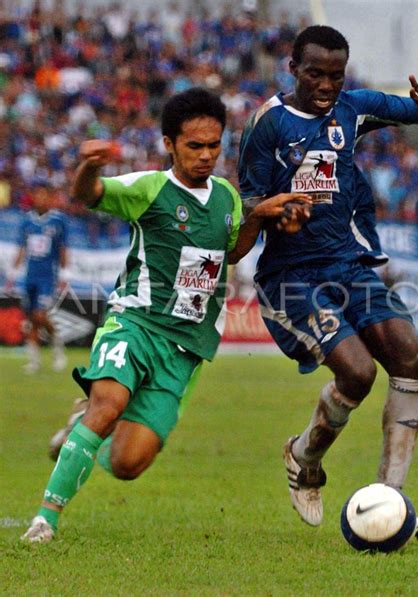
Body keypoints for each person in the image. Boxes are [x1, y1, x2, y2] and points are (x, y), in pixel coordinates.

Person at [22, 87, 311, 543]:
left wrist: (256, 217)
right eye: (195, 145)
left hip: (185, 346)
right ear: (169, 144)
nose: (206, 155)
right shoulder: (149, 188)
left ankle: (81, 428)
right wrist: (90, 166)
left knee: (127, 464)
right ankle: (45, 520)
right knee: (108, 405)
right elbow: (88, 194)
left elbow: (232, 252)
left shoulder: (226, 196)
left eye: (214, 145)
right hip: (135, 322)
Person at [238, 25, 418, 534]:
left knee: (412, 358)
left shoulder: (352, 108)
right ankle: (303, 458)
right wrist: (276, 212)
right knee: (358, 374)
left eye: (335, 76)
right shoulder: (268, 124)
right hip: (291, 276)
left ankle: (391, 502)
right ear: (293, 69)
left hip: (349, 265)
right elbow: (247, 203)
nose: (326, 85)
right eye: (315, 74)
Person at [7, 180, 68, 373]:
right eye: (37, 194)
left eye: (44, 195)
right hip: (30, 276)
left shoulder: (58, 221)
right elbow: (22, 248)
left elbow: (63, 249)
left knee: (40, 315)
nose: (40, 198)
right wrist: (13, 272)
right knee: (31, 318)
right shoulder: (27, 221)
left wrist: (65, 273)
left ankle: (57, 346)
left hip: (48, 277)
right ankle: (34, 361)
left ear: (50, 197)